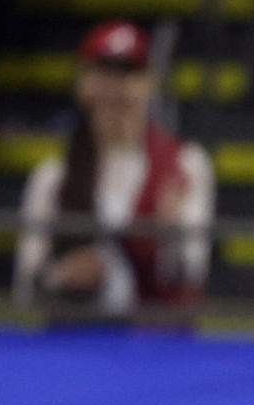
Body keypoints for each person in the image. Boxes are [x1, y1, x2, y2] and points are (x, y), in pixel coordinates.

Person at [16, 22, 215, 321]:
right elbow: (25, 286)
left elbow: (194, 276)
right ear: (82, 83)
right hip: (74, 343)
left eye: (126, 73)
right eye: (101, 72)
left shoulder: (185, 165)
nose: (113, 87)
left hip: (155, 348)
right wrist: (62, 276)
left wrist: (168, 239)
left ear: (149, 82)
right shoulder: (55, 176)